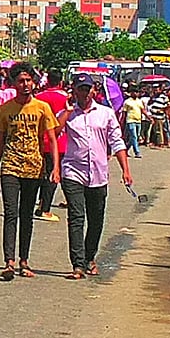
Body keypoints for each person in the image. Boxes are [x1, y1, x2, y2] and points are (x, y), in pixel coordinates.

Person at [53, 75, 131, 279]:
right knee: (76, 218)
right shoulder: (68, 114)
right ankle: (77, 264)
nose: (85, 93)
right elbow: (54, 133)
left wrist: (126, 169)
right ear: (74, 91)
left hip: (98, 174)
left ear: (94, 91)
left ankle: (89, 257)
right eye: (81, 89)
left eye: (88, 89)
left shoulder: (105, 114)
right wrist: (67, 112)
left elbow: (117, 141)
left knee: (96, 219)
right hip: (73, 172)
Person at [0, 62, 59, 281]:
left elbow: (52, 139)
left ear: (34, 82)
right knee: (11, 213)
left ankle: (24, 261)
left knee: (27, 215)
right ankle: (8, 261)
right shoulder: (5, 109)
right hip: (10, 166)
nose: (25, 84)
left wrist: (55, 167)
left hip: (34, 167)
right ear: (13, 84)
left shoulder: (42, 108)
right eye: (21, 81)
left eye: (28, 80)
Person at [34, 68, 69, 223]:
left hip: (41, 140)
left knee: (43, 173)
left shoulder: (38, 98)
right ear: (60, 81)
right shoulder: (66, 98)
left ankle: (42, 203)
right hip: (60, 142)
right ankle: (45, 209)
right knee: (54, 174)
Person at [121, 89, 146, 158]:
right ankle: (137, 152)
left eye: (137, 92)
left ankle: (125, 149)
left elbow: (143, 110)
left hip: (138, 120)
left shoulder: (139, 101)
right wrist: (122, 122)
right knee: (134, 136)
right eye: (134, 92)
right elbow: (124, 112)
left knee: (135, 137)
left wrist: (149, 117)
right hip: (130, 120)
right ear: (131, 93)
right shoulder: (127, 102)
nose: (136, 94)